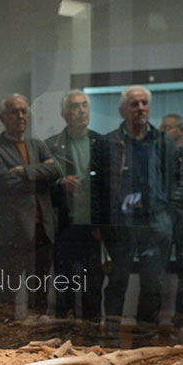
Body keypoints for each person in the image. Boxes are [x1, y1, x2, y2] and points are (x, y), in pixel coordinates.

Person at [101, 86, 182, 346]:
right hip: (122, 223)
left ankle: (144, 338)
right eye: (134, 104)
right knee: (117, 280)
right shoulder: (109, 142)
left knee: (152, 284)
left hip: (155, 222)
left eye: (144, 103)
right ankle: (111, 337)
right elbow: (100, 186)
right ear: (123, 110)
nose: (140, 108)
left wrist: (170, 214)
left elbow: (174, 180)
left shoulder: (162, 141)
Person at [0, 93, 60, 320]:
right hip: (13, 232)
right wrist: (40, 174)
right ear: (2, 117)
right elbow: (2, 183)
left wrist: (24, 171)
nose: (20, 116)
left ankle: (38, 337)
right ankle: (7, 344)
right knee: (7, 294)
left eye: (24, 110)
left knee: (40, 292)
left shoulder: (37, 145)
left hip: (42, 230)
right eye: (14, 111)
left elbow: (55, 171)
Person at [46, 90, 106, 322]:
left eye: (85, 105)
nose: (81, 111)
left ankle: (93, 333)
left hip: (93, 224)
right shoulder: (53, 146)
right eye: (75, 106)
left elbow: (108, 185)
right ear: (64, 114)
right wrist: (61, 183)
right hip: (65, 223)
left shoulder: (101, 142)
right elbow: (42, 186)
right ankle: (64, 330)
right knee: (65, 280)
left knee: (93, 282)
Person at [160, 113, 183, 343]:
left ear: (182, 130)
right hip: (163, 215)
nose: (164, 131)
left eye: (169, 127)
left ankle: (181, 322)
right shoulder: (158, 153)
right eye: (162, 127)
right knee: (157, 268)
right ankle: (156, 322)